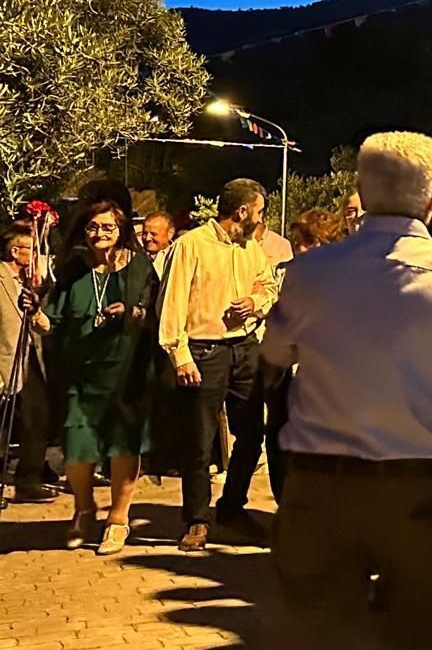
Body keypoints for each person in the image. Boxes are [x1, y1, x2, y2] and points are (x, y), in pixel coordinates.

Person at [262, 131, 432, 648]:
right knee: (420, 634)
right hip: (418, 493)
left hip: (320, 486)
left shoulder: (309, 273)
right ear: (431, 199)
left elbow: (273, 356)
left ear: (362, 187)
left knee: (316, 634)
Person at [158, 177, 278, 551]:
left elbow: (268, 286)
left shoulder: (250, 248)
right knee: (200, 440)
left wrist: (254, 303)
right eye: (258, 213)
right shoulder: (191, 245)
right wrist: (180, 356)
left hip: (244, 349)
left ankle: (231, 506)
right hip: (203, 352)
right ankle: (197, 519)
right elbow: (171, 303)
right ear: (242, 211)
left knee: (252, 434)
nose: (260, 221)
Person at [46, 199, 158, 555]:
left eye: (107, 227)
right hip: (82, 375)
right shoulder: (71, 269)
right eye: (93, 227)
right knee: (78, 451)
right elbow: (52, 320)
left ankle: (118, 520)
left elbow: (154, 311)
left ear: (122, 230)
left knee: (123, 446)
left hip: (127, 373)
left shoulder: (139, 267)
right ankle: (84, 507)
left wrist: (131, 311)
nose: (99, 234)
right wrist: (35, 315)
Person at [263, 207, 343, 503]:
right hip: (288, 374)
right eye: (299, 240)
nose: (300, 247)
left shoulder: (348, 279)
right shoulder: (289, 273)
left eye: (309, 240)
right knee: (280, 444)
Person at [1, 221, 53, 503]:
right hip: (4, 361)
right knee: (3, 427)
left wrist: (35, 311)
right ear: (14, 251)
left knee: (37, 416)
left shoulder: (27, 283)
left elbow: (44, 325)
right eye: (30, 250)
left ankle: (28, 480)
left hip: (28, 357)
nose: (34, 255)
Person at [141, 212, 177, 279]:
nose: (147, 238)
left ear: (170, 233)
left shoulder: (178, 255)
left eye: (153, 234)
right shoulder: (134, 257)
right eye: (144, 233)